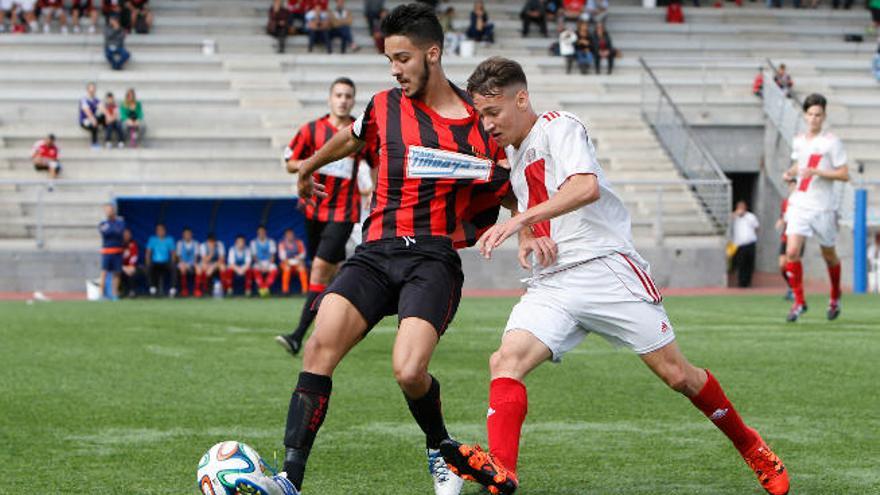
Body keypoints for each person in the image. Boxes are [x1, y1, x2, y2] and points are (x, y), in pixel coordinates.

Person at [436, 56, 789, 495]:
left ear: (521, 98)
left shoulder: (558, 126)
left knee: (679, 376)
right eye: (482, 115)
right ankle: (502, 473)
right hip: (554, 282)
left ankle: (751, 445)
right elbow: (521, 197)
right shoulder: (511, 152)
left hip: (605, 268)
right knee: (505, 361)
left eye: (493, 112)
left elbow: (586, 187)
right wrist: (526, 230)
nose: (487, 124)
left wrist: (518, 219)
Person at [278, 5, 509, 495]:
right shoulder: (383, 106)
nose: (395, 70)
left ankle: (440, 449)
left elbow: (504, 187)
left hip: (431, 259)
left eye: (403, 58)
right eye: (389, 60)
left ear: (433, 53)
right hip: (375, 252)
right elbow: (351, 138)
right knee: (319, 347)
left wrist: (531, 229)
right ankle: (289, 481)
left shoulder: (476, 123)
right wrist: (308, 167)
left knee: (408, 371)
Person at [275, 77, 364, 355]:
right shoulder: (311, 130)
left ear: (353, 100)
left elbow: (376, 163)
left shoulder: (360, 133)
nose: (343, 100)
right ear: (330, 98)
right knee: (333, 274)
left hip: (344, 211)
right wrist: (313, 162)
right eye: (338, 95)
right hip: (313, 209)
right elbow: (289, 163)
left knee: (319, 270)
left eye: (348, 96)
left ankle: (298, 335)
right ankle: (354, 314)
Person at [782, 93, 849, 322]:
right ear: (805, 115)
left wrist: (818, 172)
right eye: (810, 114)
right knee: (791, 252)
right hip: (800, 203)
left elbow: (844, 173)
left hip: (823, 208)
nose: (814, 119)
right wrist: (790, 173)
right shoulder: (799, 140)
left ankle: (835, 295)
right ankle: (799, 302)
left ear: (824, 116)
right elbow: (799, 164)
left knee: (828, 255)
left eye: (818, 115)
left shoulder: (831, 142)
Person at [98, 203, 125, 300]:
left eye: (110, 210)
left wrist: (112, 230)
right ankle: (100, 293)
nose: (109, 212)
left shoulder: (120, 222)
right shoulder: (103, 223)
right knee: (104, 272)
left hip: (117, 251)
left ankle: (114, 294)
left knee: (117, 273)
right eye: (107, 210)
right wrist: (113, 230)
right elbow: (105, 233)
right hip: (107, 251)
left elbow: (120, 232)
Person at [730, 200, 759, 288]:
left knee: (749, 263)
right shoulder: (734, 217)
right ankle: (741, 282)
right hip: (739, 244)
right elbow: (728, 220)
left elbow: (757, 227)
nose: (741, 209)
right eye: (739, 207)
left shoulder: (751, 216)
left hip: (750, 243)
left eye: (742, 207)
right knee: (741, 264)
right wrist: (736, 214)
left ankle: (748, 281)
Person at [146, 223, 176, 297]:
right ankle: (152, 288)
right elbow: (148, 252)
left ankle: (172, 289)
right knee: (148, 267)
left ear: (165, 231)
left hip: (166, 262)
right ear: (156, 231)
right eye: (158, 230)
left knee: (174, 268)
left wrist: (173, 262)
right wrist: (147, 262)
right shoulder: (152, 239)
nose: (160, 231)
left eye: (162, 230)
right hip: (155, 262)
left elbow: (173, 253)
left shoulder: (170, 239)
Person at [251, 225, 279, 298]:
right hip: (258, 262)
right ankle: (262, 288)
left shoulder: (271, 242)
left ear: (265, 232)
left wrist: (267, 266)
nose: (261, 233)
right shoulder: (253, 242)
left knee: (274, 268)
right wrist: (261, 266)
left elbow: (273, 256)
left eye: (263, 232)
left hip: (269, 262)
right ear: (257, 233)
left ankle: (265, 287)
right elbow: (254, 257)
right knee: (255, 268)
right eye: (259, 232)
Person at [279, 228, 309, 295]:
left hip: (297, 263)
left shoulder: (299, 242)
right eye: (288, 234)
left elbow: (303, 254)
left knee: (302, 268)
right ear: (285, 235)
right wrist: (288, 262)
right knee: (287, 268)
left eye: (291, 234)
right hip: (286, 263)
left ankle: (305, 290)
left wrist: (299, 257)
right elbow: (282, 256)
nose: (290, 236)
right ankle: (285, 290)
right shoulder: (282, 244)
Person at [176, 227, 200, 297]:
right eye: (185, 234)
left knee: (198, 268)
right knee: (182, 268)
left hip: (192, 263)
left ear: (191, 235)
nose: (187, 235)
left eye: (188, 234)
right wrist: (184, 264)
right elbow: (179, 257)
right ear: (183, 235)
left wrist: (191, 264)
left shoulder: (195, 243)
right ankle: (184, 289)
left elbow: (196, 257)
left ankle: (197, 289)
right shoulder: (179, 243)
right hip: (182, 263)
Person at [79, 82, 102, 150]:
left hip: (93, 118)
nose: (92, 90)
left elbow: (102, 108)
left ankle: (108, 140)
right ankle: (94, 143)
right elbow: (87, 111)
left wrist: (108, 116)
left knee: (104, 118)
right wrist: (93, 120)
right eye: (91, 88)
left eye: (93, 88)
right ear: (88, 90)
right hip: (85, 120)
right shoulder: (84, 100)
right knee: (93, 125)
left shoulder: (96, 100)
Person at [120, 228, 141, 298]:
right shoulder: (119, 244)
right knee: (117, 272)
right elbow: (117, 258)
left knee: (133, 272)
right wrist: (123, 267)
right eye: (125, 234)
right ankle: (121, 291)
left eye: (128, 234)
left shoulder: (133, 244)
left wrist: (131, 266)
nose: (126, 236)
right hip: (121, 266)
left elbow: (134, 257)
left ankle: (132, 291)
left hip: (131, 266)